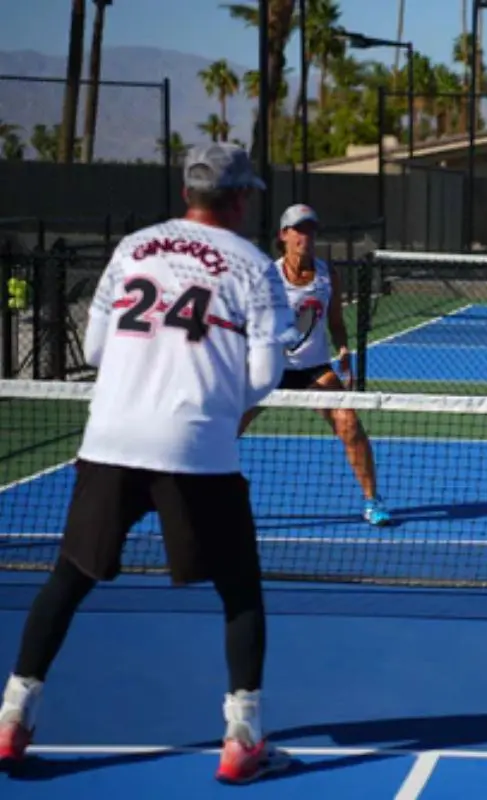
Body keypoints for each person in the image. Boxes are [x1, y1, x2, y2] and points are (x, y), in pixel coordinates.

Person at [0, 144, 297, 784]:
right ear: (241, 196)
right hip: (196, 449)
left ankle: (12, 717)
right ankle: (242, 737)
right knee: (240, 590)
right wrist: (216, 406)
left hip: (110, 437)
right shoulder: (254, 266)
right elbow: (266, 373)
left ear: (189, 192)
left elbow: (98, 344)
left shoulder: (133, 247)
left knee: (68, 579)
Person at [237, 204, 391, 527]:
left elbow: (335, 321)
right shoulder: (267, 276)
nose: (305, 236)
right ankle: (195, 491)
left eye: (310, 229)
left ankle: (372, 501)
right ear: (284, 235)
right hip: (271, 370)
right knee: (227, 427)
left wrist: (344, 347)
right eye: (298, 229)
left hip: (314, 370)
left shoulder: (327, 274)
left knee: (349, 424)